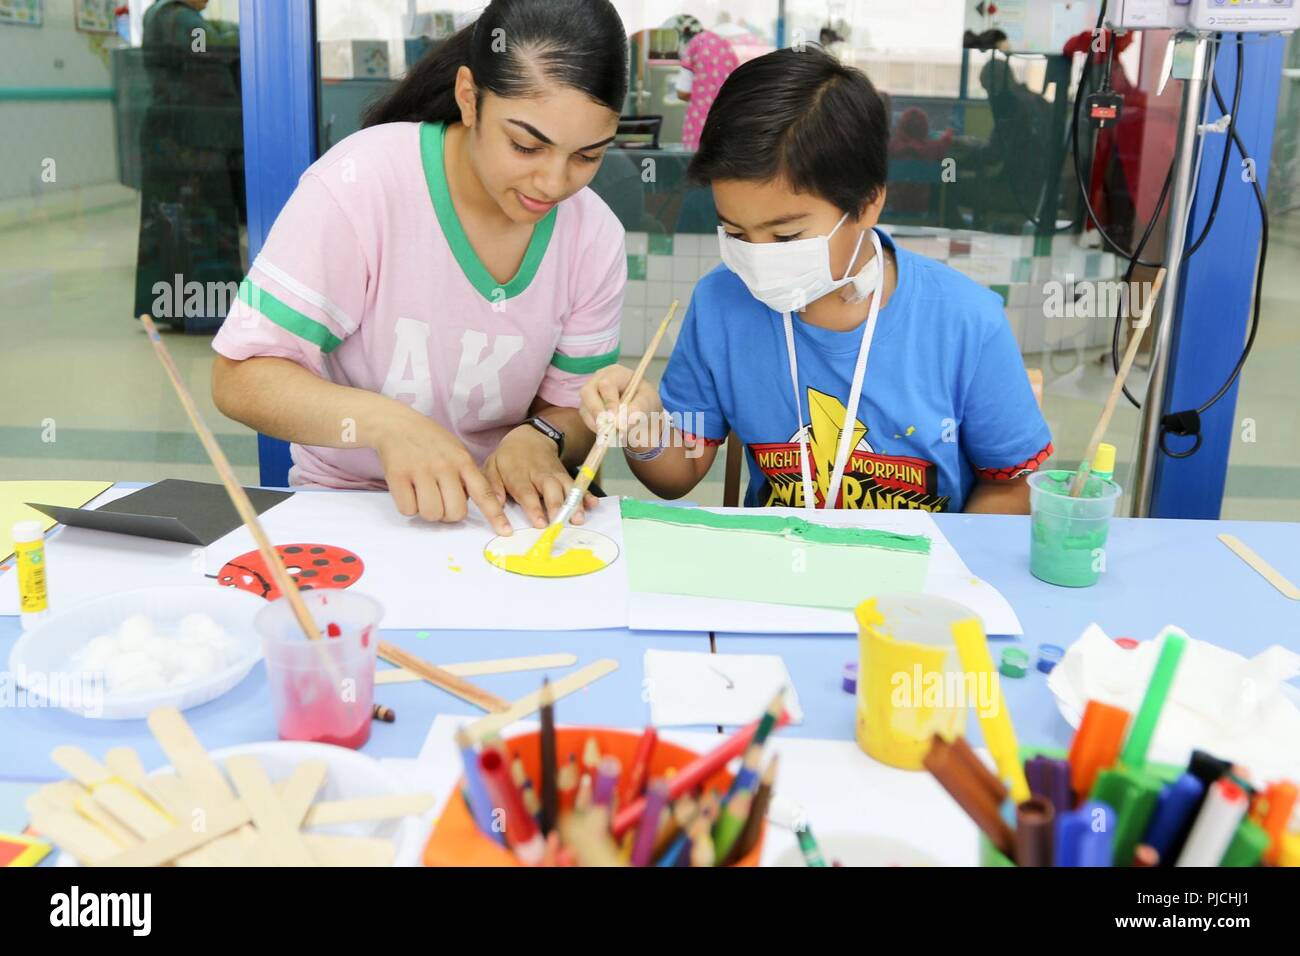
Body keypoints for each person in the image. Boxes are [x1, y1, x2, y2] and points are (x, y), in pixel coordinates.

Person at [210, 0, 630, 537]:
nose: (553, 183)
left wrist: (541, 436)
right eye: (526, 145)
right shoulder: (361, 185)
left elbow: (573, 409)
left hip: (503, 518)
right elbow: (240, 378)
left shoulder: (592, 235)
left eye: (587, 156)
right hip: (354, 507)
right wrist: (385, 425)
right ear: (468, 98)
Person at [579, 48, 1052, 514]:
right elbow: (677, 476)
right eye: (736, 232)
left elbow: (1011, 486)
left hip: (917, 580)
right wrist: (643, 428)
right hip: (781, 570)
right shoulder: (721, 303)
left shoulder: (965, 322)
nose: (758, 258)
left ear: (867, 203)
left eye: (786, 236)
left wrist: (945, 578)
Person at [673, 15, 740, 151]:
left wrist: (702, 96)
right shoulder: (727, 45)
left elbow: (682, 91)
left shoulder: (694, 45)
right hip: (727, 119)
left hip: (700, 121)